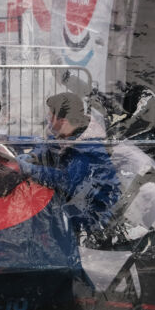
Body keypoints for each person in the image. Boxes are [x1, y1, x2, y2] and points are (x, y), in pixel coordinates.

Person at [15, 92, 120, 238]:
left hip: (91, 219)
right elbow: (49, 145)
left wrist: (31, 170)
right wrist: (34, 156)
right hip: (71, 204)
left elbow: (66, 180)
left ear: (63, 121)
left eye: (50, 115)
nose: (48, 119)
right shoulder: (68, 134)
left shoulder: (89, 149)